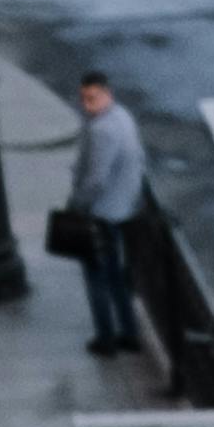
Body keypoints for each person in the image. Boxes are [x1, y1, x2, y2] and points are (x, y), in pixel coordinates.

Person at [65, 67, 145, 357]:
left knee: (97, 278)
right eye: (84, 99)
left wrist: (76, 206)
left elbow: (95, 179)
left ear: (107, 94)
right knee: (116, 276)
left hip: (101, 215)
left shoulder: (102, 130)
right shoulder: (123, 117)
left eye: (93, 98)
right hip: (122, 209)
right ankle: (130, 333)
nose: (87, 105)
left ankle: (106, 338)